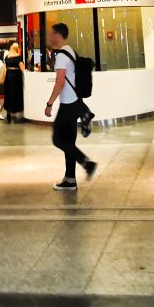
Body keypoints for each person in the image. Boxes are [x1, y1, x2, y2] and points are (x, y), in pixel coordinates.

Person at [44, 22, 97, 191]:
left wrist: (49, 103)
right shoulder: (70, 51)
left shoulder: (61, 56)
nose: (49, 37)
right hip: (75, 102)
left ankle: (87, 163)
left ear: (58, 35)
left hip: (67, 104)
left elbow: (60, 82)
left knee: (58, 140)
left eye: (51, 34)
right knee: (69, 143)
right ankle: (70, 179)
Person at [0, 42, 25, 123]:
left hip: (8, 76)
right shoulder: (18, 57)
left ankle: (8, 115)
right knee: (16, 94)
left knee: (8, 94)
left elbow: (5, 68)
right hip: (16, 77)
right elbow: (23, 69)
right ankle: (18, 113)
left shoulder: (7, 57)